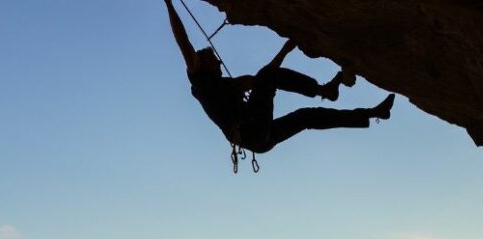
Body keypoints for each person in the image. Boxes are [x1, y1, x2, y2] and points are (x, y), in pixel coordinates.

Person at [164, 0, 395, 154]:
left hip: (259, 140)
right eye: (214, 59)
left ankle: (373, 113)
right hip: (252, 130)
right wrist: (169, 3)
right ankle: (324, 91)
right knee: (269, 78)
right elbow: (183, 41)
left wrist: (285, 51)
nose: (219, 62)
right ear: (202, 62)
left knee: (306, 117)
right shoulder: (201, 80)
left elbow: (267, 78)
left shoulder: (228, 85)